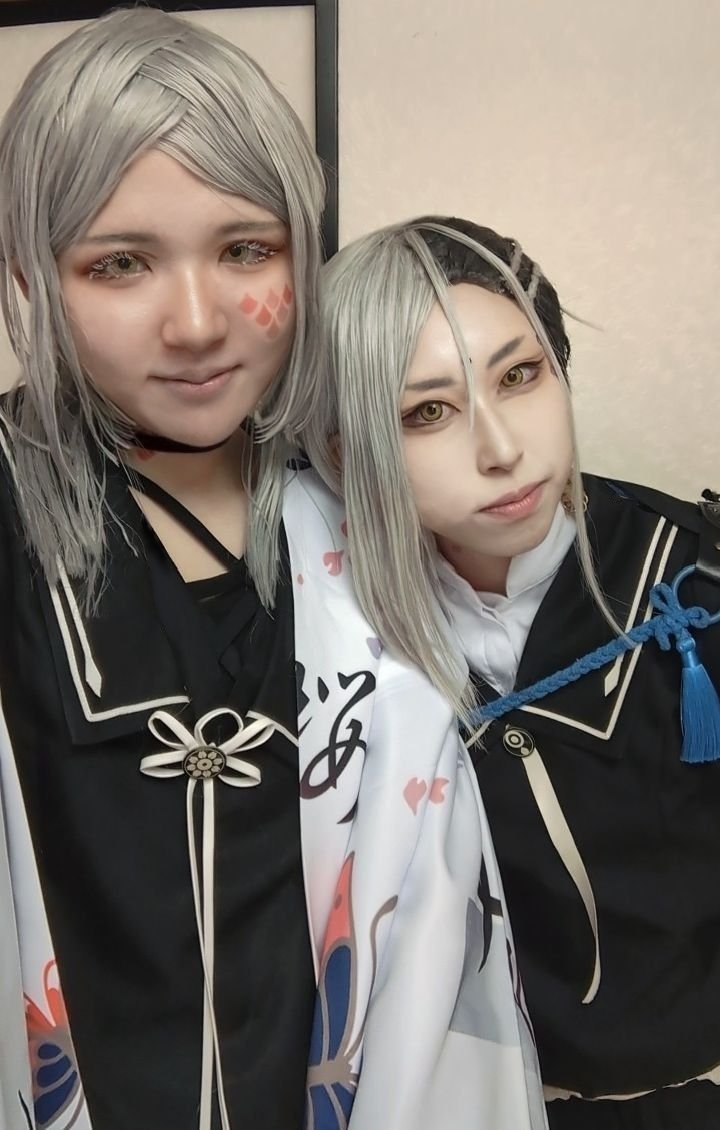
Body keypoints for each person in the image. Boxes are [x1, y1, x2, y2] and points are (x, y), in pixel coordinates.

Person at [0, 15, 546, 1130]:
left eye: (247, 250)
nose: (198, 324)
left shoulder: (361, 494)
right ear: (30, 276)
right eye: (119, 264)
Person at [311, 214, 720, 1129]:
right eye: (427, 412)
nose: (501, 448)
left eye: (520, 375)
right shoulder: (337, 643)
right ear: (344, 451)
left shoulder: (693, 583)